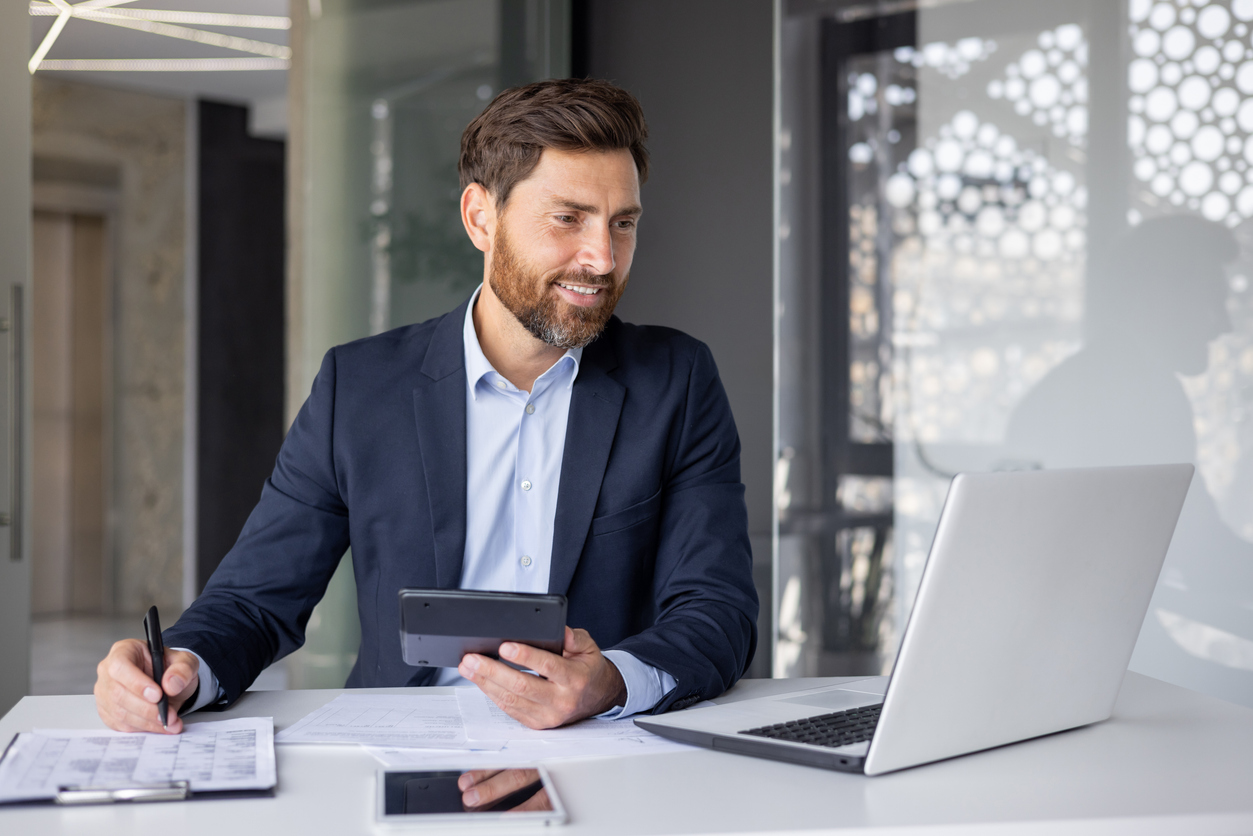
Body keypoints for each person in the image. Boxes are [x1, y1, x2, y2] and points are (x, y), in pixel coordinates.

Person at [93, 78, 759, 735]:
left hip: (602, 749)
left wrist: (609, 681)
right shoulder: (358, 388)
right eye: (567, 218)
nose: (602, 258)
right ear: (480, 217)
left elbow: (717, 610)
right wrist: (181, 666)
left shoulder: (675, 381)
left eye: (622, 223)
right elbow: (255, 599)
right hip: (401, 747)